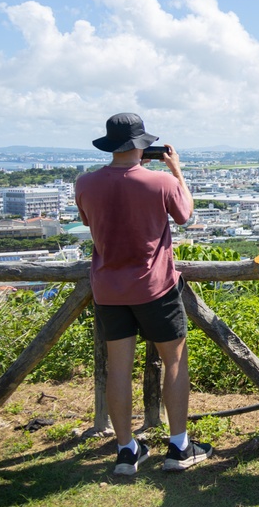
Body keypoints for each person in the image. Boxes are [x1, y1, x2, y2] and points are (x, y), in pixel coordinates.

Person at [75, 113, 212, 475]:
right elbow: (185, 215)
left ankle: (126, 450)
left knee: (118, 367)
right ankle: (180, 447)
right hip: (155, 287)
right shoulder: (161, 182)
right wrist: (176, 170)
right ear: (141, 145)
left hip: (107, 288)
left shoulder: (85, 183)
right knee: (174, 361)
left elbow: (90, 222)